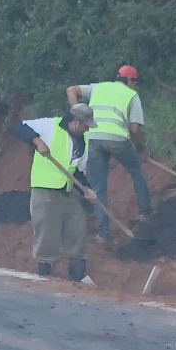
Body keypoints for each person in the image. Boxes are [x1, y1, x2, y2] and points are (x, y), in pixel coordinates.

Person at [11, 104, 97, 281]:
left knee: (77, 232)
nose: (87, 128)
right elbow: (17, 127)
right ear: (75, 121)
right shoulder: (49, 126)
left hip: (67, 194)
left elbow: (76, 172)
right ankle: (44, 278)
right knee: (47, 238)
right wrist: (37, 141)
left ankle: (77, 281)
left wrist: (86, 189)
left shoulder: (84, 141)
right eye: (85, 125)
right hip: (45, 193)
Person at [66, 64, 152, 242]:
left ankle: (103, 234)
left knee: (98, 188)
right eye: (135, 82)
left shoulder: (99, 87)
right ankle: (146, 213)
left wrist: (78, 114)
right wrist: (142, 151)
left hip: (95, 138)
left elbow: (71, 90)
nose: (135, 85)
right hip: (118, 139)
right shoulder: (131, 95)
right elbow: (134, 129)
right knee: (136, 172)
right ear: (130, 80)